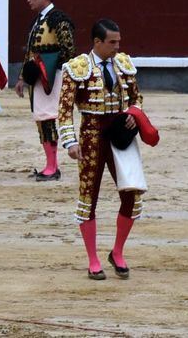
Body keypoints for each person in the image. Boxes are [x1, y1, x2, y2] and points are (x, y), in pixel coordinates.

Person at [58, 19, 147, 280]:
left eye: (119, 41)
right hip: (91, 134)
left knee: (132, 194)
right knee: (89, 197)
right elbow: (64, 110)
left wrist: (134, 112)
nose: (118, 47)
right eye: (112, 42)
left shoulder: (123, 64)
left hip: (121, 133)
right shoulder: (76, 68)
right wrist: (70, 141)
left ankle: (117, 252)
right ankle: (93, 259)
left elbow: (137, 98)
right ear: (97, 42)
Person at [14, 0, 76, 181]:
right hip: (39, 77)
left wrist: (48, 68)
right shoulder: (39, 20)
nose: (28, 0)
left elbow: (68, 50)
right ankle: (50, 164)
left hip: (52, 76)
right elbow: (32, 51)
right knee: (42, 119)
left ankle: (52, 166)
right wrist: (23, 76)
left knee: (48, 118)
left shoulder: (58, 19)